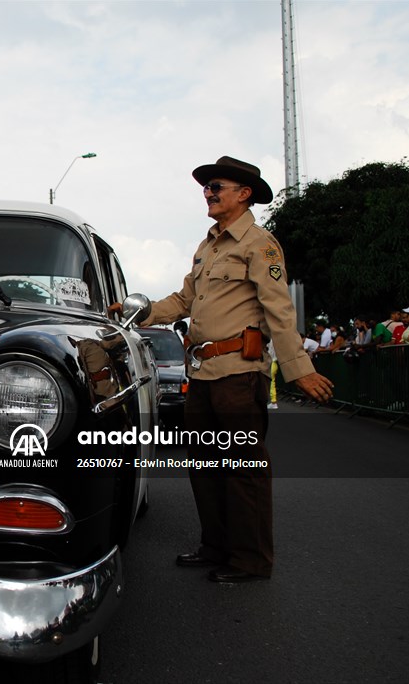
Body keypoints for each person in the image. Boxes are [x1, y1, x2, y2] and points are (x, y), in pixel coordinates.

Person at [113, 155, 333, 584]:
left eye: (216, 186)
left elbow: (279, 311)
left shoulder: (260, 244)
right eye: (207, 187)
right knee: (205, 466)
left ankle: (250, 560)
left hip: (239, 373)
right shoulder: (209, 245)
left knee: (243, 470)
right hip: (204, 374)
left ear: (243, 194)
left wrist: (296, 368)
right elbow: (182, 302)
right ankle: (215, 547)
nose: (208, 193)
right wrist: (137, 314)